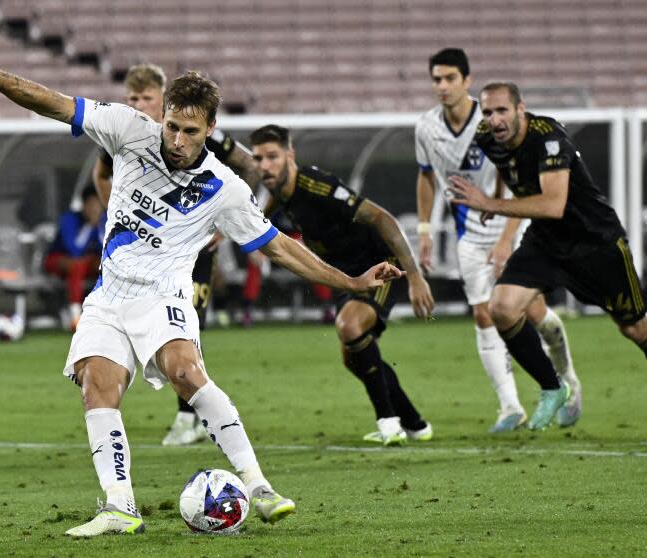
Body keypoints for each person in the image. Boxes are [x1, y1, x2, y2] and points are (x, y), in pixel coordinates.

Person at [0, 30, 403, 537]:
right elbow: (54, 102)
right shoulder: (128, 129)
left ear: (211, 129)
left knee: (184, 370)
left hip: (164, 294)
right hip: (110, 293)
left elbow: (278, 246)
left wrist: (349, 280)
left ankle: (259, 485)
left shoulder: (226, 189)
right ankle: (119, 507)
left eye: (191, 132)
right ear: (163, 116)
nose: (178, 141)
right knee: (98, 386)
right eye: (172, 127)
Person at [448, 82, 647, 430]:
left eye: (502, 111)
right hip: (546, 241)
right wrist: (496, 205)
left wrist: (491, 205)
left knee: (634, 327)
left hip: (595, 241)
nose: (494, 120)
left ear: (520, 109)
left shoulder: (548, 137)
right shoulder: (486, 137)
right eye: (488, 112)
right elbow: (505, 171)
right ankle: (554, 387)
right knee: (502, 308)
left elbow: (553, 205)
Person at [92, 63, 263, 447]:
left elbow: (250, 167)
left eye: (145, 98)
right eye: (132, 98)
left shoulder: (201, 138)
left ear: (163, 97)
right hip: (143, 254)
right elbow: (101, 174)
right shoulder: (131, 138)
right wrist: (115, 213)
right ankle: (191, 413)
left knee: (186, 329)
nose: (138, 104)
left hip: (192, 254)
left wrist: (222, 227)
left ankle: (190, 417)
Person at [415, 48, 580, 432]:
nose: (442, 86)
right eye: (436, 79)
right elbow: (425, 176)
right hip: (468, 231)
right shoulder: (425, 127)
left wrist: (507, 239)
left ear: (466, 81)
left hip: (511, 222)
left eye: (449, 78)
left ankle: (568, 379)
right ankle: (510, 406)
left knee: (530, 311)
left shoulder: (491, 121)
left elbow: (515, 176)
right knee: (483, 312)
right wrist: (424, 231)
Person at [250, 124, 435, 445]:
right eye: (258, 158)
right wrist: (256, 231)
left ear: (290, 156)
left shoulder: (318, 185)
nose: (265, 165)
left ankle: (389, 424)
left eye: (272, 157)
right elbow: (269, 210)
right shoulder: (280, 192)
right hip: (344, 273)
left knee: (350, 327)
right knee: (355, 357)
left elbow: (381, 218)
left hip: (379, 265)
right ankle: (415, 423)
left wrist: (415, 275)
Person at [43, 186, 107, 329]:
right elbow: (74, 250)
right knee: (76, 265)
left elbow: (105, 248)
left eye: (98, 205)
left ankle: (106, 314)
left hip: (85, 262)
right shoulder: (69, 219)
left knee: (105, 265)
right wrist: (90, 226)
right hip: (59, 259)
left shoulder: (105, 220)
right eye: (91, 204)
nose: (95, 209)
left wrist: (99, 227)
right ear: (84, 205)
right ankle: (75, 317)